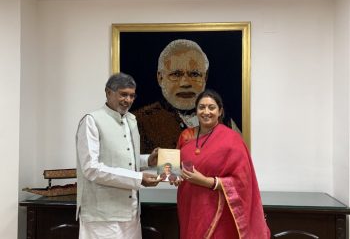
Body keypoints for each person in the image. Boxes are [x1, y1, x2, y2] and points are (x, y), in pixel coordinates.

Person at [76, 73, 161, 239]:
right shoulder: (91, 120)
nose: (128, 100)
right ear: (108, 93)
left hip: (132, 212)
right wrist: (138, 178)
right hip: (102, 216)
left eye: (132, 95)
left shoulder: (132, 120)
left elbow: (126, 159)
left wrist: (147, 160)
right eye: (123, 94)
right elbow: (91, 169)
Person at [175, 89, 270, 239]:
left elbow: (242, 181)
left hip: (217, 210)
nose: (206, 111)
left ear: (220, 111)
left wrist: (206, 182)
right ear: (196, 111)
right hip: (189, 205)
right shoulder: (186, 137)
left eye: (211, 107)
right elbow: (177, 168)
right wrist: (173, 175)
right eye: (201, 107)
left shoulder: (232, 140)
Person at [133, 39, 239, 154]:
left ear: (205, 77)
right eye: (176, 74)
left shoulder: (225, 121)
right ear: (160, 78)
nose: (185, 83)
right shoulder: (138, 121)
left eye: (194, 74)